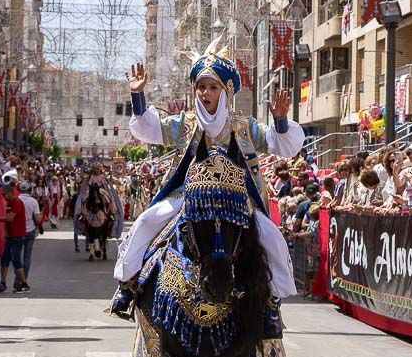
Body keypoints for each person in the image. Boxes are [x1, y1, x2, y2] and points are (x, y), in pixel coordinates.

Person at [110, 49, 304, 330]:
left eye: (212, 87)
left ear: (226, 90)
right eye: (201, 86)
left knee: (271, 236)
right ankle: (127, 286)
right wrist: (138, 97)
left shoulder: (243, 126)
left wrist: (282, 121)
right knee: (145, 221)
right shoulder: (186, 124)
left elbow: (281, 143)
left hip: (237, 201)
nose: (205, 93)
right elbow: (149, 130)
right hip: (190, 198)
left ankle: (271, 303)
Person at [16, 180, 43, 290]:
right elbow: (37, 219)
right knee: (27, 257)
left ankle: (20, 280)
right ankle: (23, 280)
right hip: (30, 230)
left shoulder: (16, 200)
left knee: (16, 257)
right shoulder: (33, 201)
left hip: (17, 231)